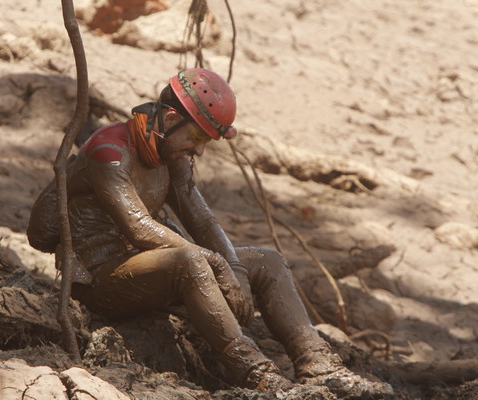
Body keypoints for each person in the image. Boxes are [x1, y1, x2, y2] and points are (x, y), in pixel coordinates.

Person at [27, 68, 393, 398]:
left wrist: (236, 269)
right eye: (196, 137)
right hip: (102, 279)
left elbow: (203, 222)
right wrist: (216, 263)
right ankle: (257, 374)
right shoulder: (110, 151)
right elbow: (137, 226)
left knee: (266, 260)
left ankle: (319, 364)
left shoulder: (171, 153)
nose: (200, 150)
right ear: (170, 118)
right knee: (190, 260)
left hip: (149, 266)